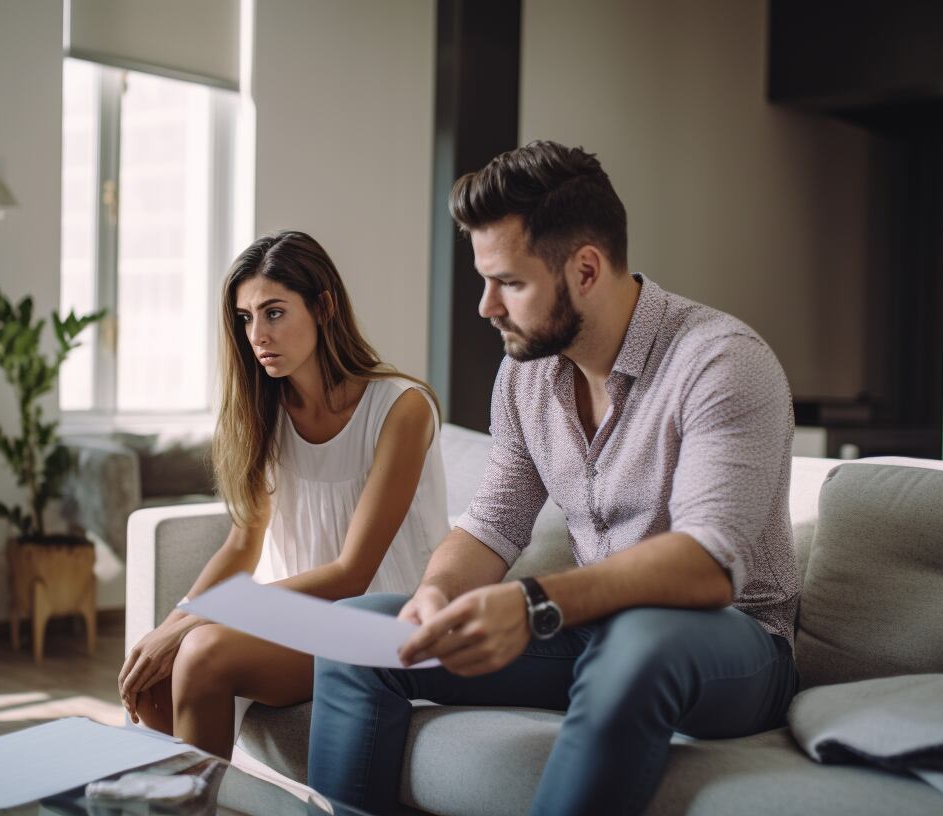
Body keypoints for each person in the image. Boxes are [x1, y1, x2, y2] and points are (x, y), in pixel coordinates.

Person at [307, 141, 801, 816]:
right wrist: (435, 596)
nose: (486, 306)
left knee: (639, 640)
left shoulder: (720, 362)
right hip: (591, 632)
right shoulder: (524, 376)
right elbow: (493, 523)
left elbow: (709, 564)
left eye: (509, 283)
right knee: (357, 631)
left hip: (731, 646)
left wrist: (535, 603)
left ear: (587, 269)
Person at [118, 230, 448, 759]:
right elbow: (243, 542)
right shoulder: (265, 410)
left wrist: (208, 619)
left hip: (384, 624)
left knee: (200, 653)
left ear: (323, 307)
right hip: (297, 619)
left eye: (273, 312)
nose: (257, 335)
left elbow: (352, 574)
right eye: (245, 318)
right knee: (157, 670)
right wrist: (171, 625)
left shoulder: (400, 408)